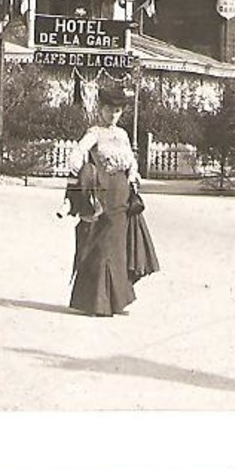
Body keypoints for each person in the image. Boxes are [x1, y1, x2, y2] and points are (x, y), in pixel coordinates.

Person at [66, 89, 143, 317]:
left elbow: (131, 160)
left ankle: (116, 302)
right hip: (102, 194)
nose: (112, 115)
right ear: (101, 109)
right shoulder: (95, 133)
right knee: (101, 244)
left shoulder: (123, 135)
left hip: (122, 195)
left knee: (118, 247)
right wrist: (81, 174)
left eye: (117, 111)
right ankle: (96, 303)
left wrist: (133, 175)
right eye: (109, 110)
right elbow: (78, 152)